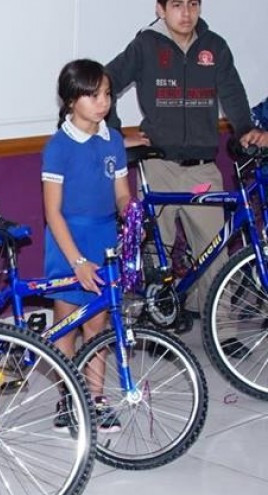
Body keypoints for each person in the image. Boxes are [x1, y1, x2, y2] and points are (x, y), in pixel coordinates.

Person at [105, 0, 268, 325]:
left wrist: (246, 130)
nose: (186, 13)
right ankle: (154, 323)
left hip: (203, 168)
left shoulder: (214, 46)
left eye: (193, 4)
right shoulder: (144, 45)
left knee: (216, 252)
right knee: (153, 253)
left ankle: (221, 329)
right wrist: (114, 134)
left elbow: (233, 93)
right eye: (177, 5)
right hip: (158, 166)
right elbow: (105, 81)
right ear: (160, 9)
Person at [42, 59, 132, 433]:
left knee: (98, 323)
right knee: (67, 323)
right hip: (68, 241)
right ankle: (67, 396)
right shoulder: (59, 146)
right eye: (93, 94)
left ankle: (95, 396)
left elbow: (123, 193)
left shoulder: (113, 139)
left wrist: (131, 213)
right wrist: (76, 260)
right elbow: (53, 212)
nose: (103, 102)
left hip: (104, 237)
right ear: (70, 100)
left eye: (107, 93)